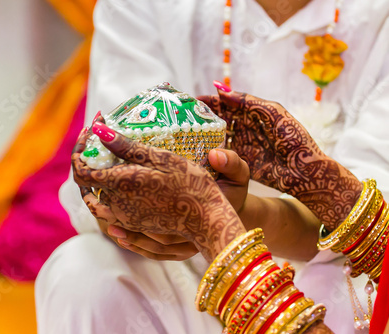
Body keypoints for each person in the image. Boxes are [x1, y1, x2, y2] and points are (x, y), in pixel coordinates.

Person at [35, 0, 389, 333]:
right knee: (83, 272)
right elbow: (104, 183)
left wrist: (220, 222)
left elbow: (383, 250)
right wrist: (129, 200)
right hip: (183, 280)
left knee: (344, 279)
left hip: (346, 291)